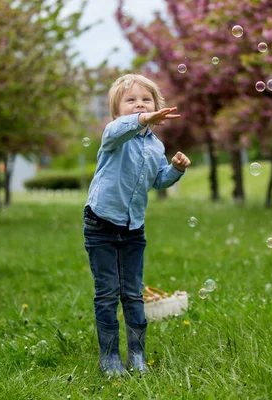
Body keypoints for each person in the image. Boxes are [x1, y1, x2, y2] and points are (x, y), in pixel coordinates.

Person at [83, 74, 191, 376]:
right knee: (106, 293)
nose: (139, 104)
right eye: (130, 100)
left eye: (146, 99)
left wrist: (175, 169)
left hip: (133, 228)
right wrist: (142, 118)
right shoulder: (114, 135)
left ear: (158, 106)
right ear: (117, 111)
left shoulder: (156, 146)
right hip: (101, 223)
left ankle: (138, 355)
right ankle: (109, 357)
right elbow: (119, 129)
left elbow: (157, 181)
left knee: (131, 292)